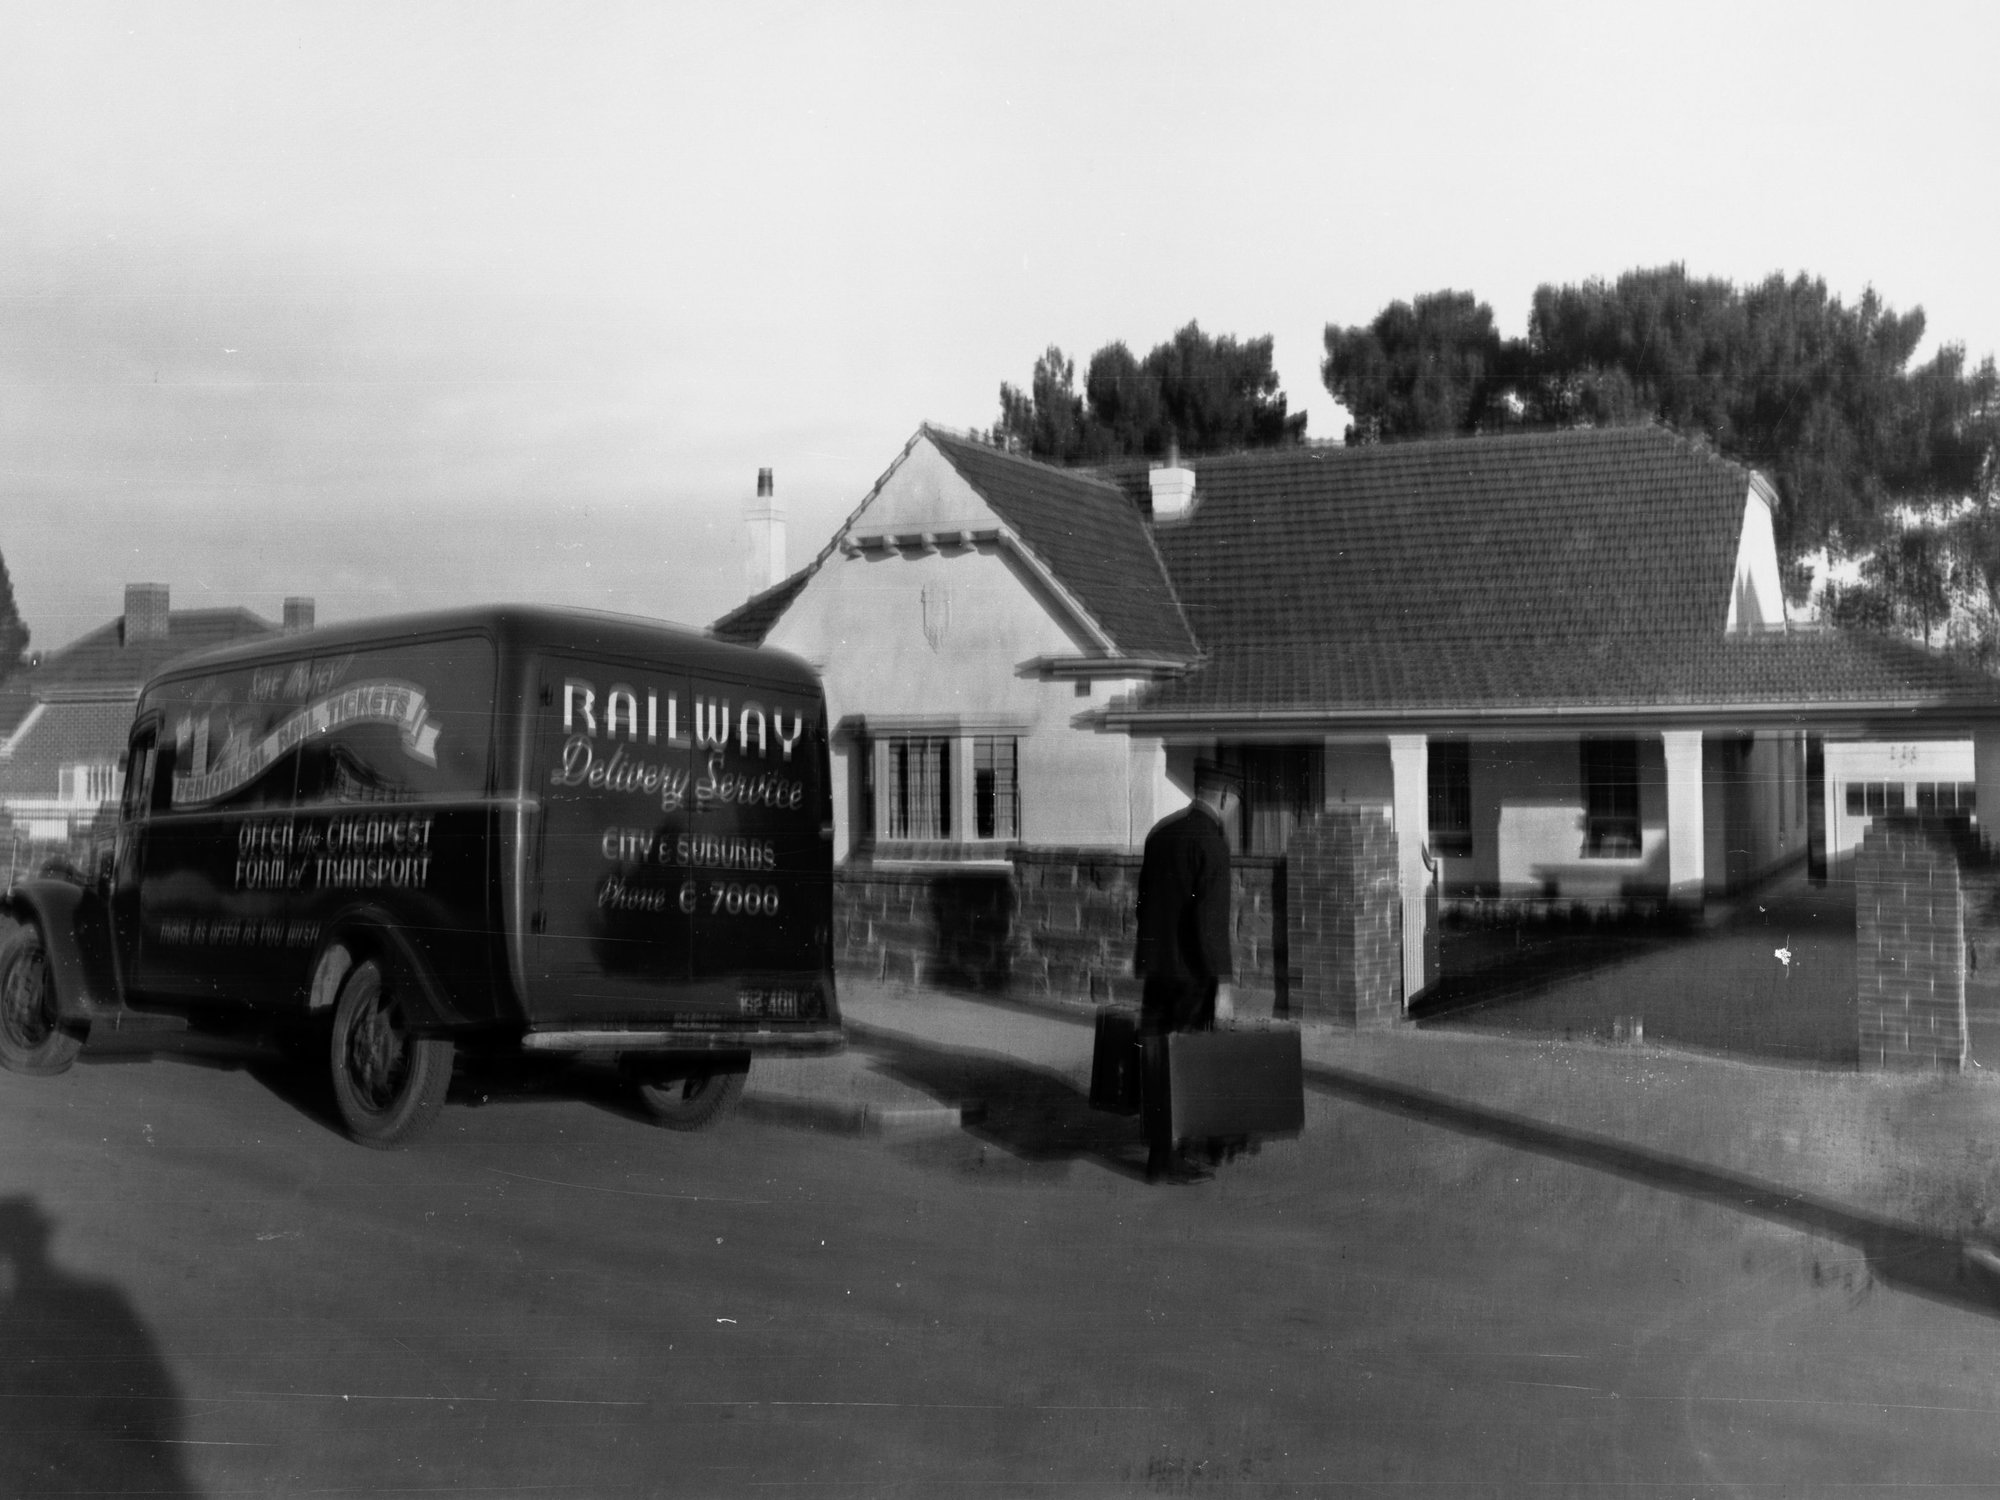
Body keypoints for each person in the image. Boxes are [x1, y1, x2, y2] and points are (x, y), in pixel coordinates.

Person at [1133, 760, 1241, 1181]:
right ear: (1223, 797)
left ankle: (1160, 1155)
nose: (1234, 813)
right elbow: (1210, 922)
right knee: (1194, 1061)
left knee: (1158, 1061)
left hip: (1156, 968)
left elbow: (1141, 903)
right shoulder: (1210, 842)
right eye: (1235, 804)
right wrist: (1223, 986)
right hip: (1192, 974)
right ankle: (1194, 1147)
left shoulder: (1161, 832)